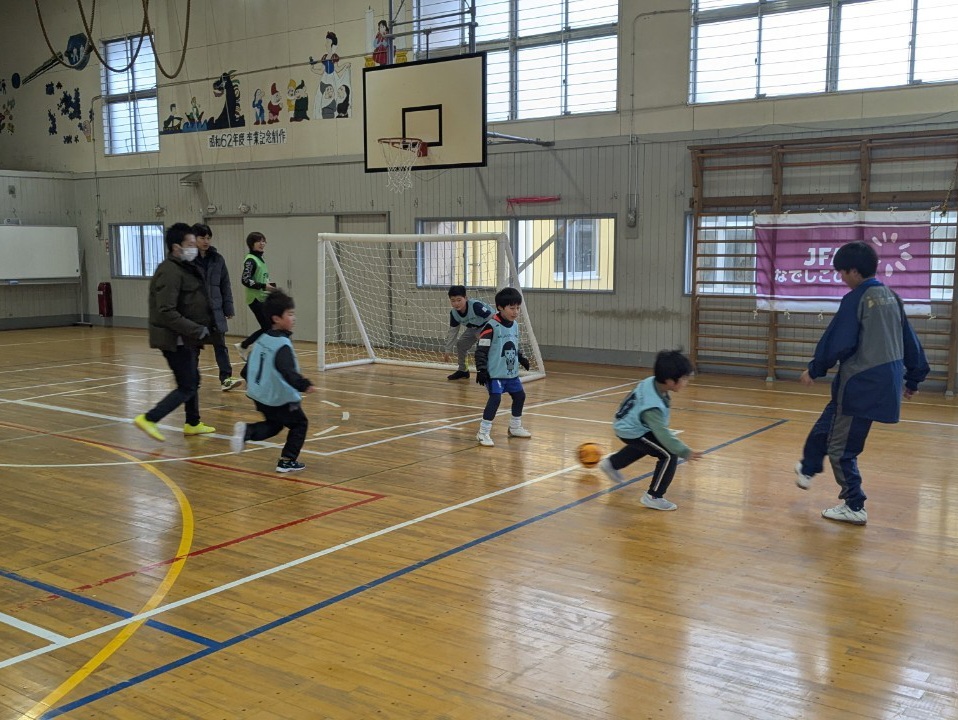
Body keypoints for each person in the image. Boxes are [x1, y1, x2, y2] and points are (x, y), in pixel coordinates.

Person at [794, 241, 929, 526]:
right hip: (881, 384)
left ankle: (854, 504)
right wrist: (914, 378)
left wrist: (815, 369)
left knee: (842, 449)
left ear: (854, 270)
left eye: (842, 273)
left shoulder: (856, 299)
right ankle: (807, 467)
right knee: (827, 424)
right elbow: (911, 342)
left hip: (859, 385)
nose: (841, 278)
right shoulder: (891, 297)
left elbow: (838, 342)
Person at [133, 222, 217, 441]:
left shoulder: (184, 267)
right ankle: (150, 418)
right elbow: (165, 311)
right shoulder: (169, 272)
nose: (195, 247)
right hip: (176, 339)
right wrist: (195, 329)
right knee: (187, 385)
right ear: (176, 247)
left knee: (193, 379)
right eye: (190, 244)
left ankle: (193, 422)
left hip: (186, 337)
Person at [598, 349, 703, 511]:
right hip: (631, 430)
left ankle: (611, 464)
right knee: (668, 454)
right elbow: (662, 435)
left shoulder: (652, 382)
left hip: (628, 425)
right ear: (669, 381)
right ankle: (653, 496)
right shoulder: (652, 407)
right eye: (684, 379)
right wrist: (684, 451)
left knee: (647, 446)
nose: (686, 382)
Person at [231, 290, 316, 473]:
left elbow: (247, 367)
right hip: (279, 397)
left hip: (260, 396)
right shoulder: (282, 345)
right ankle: (287, 460)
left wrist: (250, 381)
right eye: (290, 314)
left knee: (274, 425)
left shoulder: (262, 339)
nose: (294, 318)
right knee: (300, 424)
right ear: (277, 318)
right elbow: (287, 372)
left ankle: (248, 432)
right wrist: (304, 384)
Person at [474, 287, 532, 446]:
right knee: (495, 398)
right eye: (512, 308)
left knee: (520, 396)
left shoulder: (515, 325)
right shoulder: (490, 326)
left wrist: (521, 358)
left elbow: (514, 345)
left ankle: (515, 427)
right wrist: (481, 369)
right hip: (494, 374)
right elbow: (481, 350)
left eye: (518, 308)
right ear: (500, 307)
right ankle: (483, 432)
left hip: (511, 373)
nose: (516, 311)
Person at [192, 224, 242, 391]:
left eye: (208, 238)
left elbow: (225, 285)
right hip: (195, 313)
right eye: (202, 238)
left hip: (215, 311)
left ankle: (226, 378)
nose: (206, 241)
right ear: (194, 239)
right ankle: (191, 379)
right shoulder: (186, 260)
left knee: (220, 345)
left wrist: (228, 308)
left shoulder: (218, 259)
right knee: (193, 348)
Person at [236, 231, 276, 361]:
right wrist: (263, 286)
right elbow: (245, 280)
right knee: (268, 327)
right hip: (255, 299)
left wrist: (268, 285)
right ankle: (245, 346)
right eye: (259, 241)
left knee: (268, 327)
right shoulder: (250, 260)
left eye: (264, 241)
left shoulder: (260, 259)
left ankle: (248, 346)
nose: (262, 243)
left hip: (263, 297)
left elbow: (260, 278)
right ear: (251, 244)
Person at [444, 285, 493, 381]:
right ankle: (463, 370)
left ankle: (491, 372)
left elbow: (493, 318)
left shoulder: (475, 306)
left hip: (488, 325)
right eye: (453, 300)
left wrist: (484, 333)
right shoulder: (454, 313)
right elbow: (453, 332)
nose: (456, 303)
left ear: (465, 298)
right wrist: (448, 350)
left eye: (459, 300)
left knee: (483, 345)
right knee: (461, 344)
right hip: (473, 328)